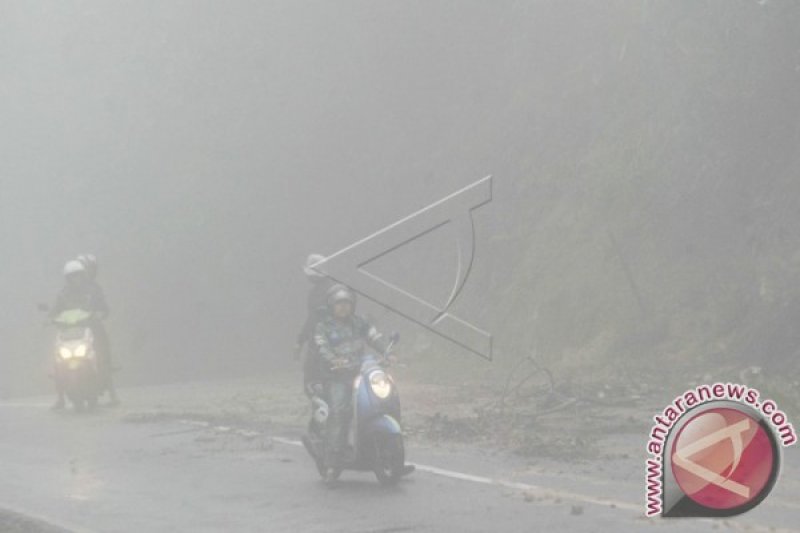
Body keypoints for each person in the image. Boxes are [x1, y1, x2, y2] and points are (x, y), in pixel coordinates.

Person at [313, 284, 389, 481]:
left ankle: (386, 455)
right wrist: (333, 360)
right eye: (339, 303)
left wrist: (388, 352)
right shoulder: (323, 326)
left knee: (378, 404)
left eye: (347, 303)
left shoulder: (359, 322)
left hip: (361, 374)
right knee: (339, 412)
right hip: (336, 377)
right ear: (331, 305)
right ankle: (332, 464)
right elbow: (321, 347)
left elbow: (375, 337)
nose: (343, 307)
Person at [49, 257, 118, 409]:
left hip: (91, 328)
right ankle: (60, 397)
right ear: (67, 278)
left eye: (78, 275)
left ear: (83, 274)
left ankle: (112, 392)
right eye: (72, 276)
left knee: (103, 352)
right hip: (68, 333)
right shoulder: (63, 294)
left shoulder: (93, 289)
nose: (76, 279)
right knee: (57, 357)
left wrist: (100, 314)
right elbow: (55, 310)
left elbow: (104, 307)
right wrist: (51, 318)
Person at [295, 254, 334, 396]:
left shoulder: (318, 293)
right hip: (331, 341)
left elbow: (312, 319)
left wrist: (300, 341)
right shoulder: (333, 287)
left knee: (312, 381)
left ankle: (322, 411)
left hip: (320, 344)